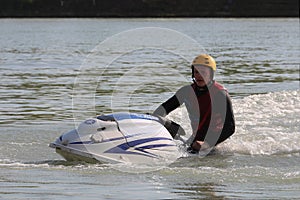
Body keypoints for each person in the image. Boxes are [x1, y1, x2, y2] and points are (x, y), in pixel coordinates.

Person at [153, 54, 235, 153]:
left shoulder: (220, 94)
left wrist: (207, 143)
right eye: (196, 72)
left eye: (203, 72)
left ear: (211, 74)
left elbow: (230, 127)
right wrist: (165, 124)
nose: (199, 75)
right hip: (195, 141)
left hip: (218, 143)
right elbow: (161, 111)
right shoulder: (186, 92)